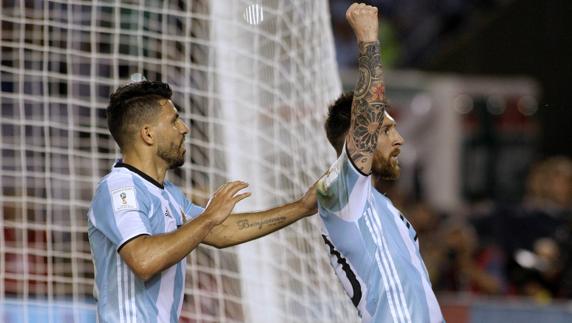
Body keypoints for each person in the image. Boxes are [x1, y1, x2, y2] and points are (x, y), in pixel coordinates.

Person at [87, 80, 317, 323]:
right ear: (148, 134)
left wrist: (302, 207)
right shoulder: (119, 188)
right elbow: (144, 260)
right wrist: (208, 217)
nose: (184, 128)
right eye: (174, 121)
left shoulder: (169, 194)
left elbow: (220, 231)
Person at [316, 3, 445, 322]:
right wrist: (368, 38)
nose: (399, 139)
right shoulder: (341, 194)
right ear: (358, 135)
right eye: (386, 130)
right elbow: (367, 114)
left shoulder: (388, 211)